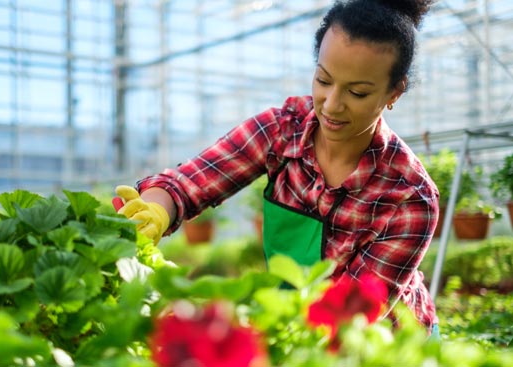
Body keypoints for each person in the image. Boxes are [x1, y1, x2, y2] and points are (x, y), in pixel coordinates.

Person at [115, 0, 440, 337]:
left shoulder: (409, 196)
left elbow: (352, 317)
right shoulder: (283, 131)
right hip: (297, 325)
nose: (332, 104)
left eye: (357, 92)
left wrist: (249, 334)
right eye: (323, 80)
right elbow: (190, 182)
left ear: (394, 92)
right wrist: (155, 209)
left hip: (384, 343)